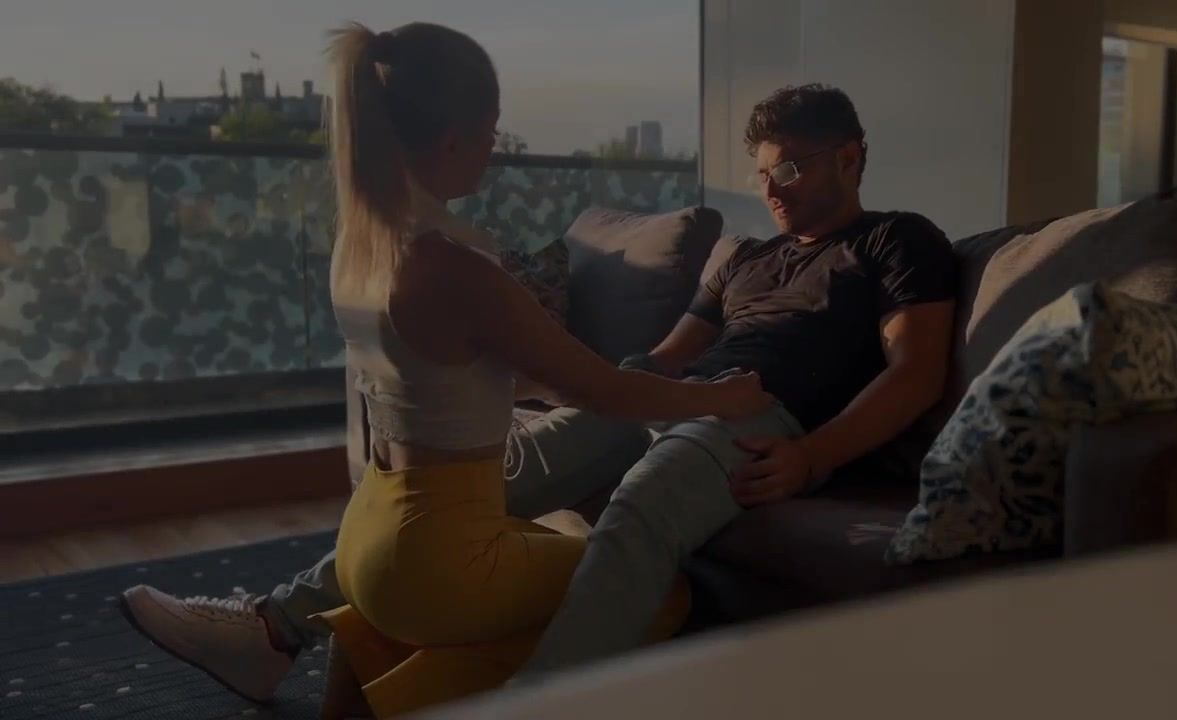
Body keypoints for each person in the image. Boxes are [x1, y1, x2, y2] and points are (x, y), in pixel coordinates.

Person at [120, 82, 958, 703]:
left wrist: (812, 456)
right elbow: (669, 356)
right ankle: (269, 629)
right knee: (477, 480)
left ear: (851, 157)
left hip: (759, 415)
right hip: (683, 397)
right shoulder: (745, 256)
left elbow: (914, 373)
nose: (772, 188)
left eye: (793, 168)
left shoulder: (896, 241)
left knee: (638, 510)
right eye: (765, 172)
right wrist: (598, 389)